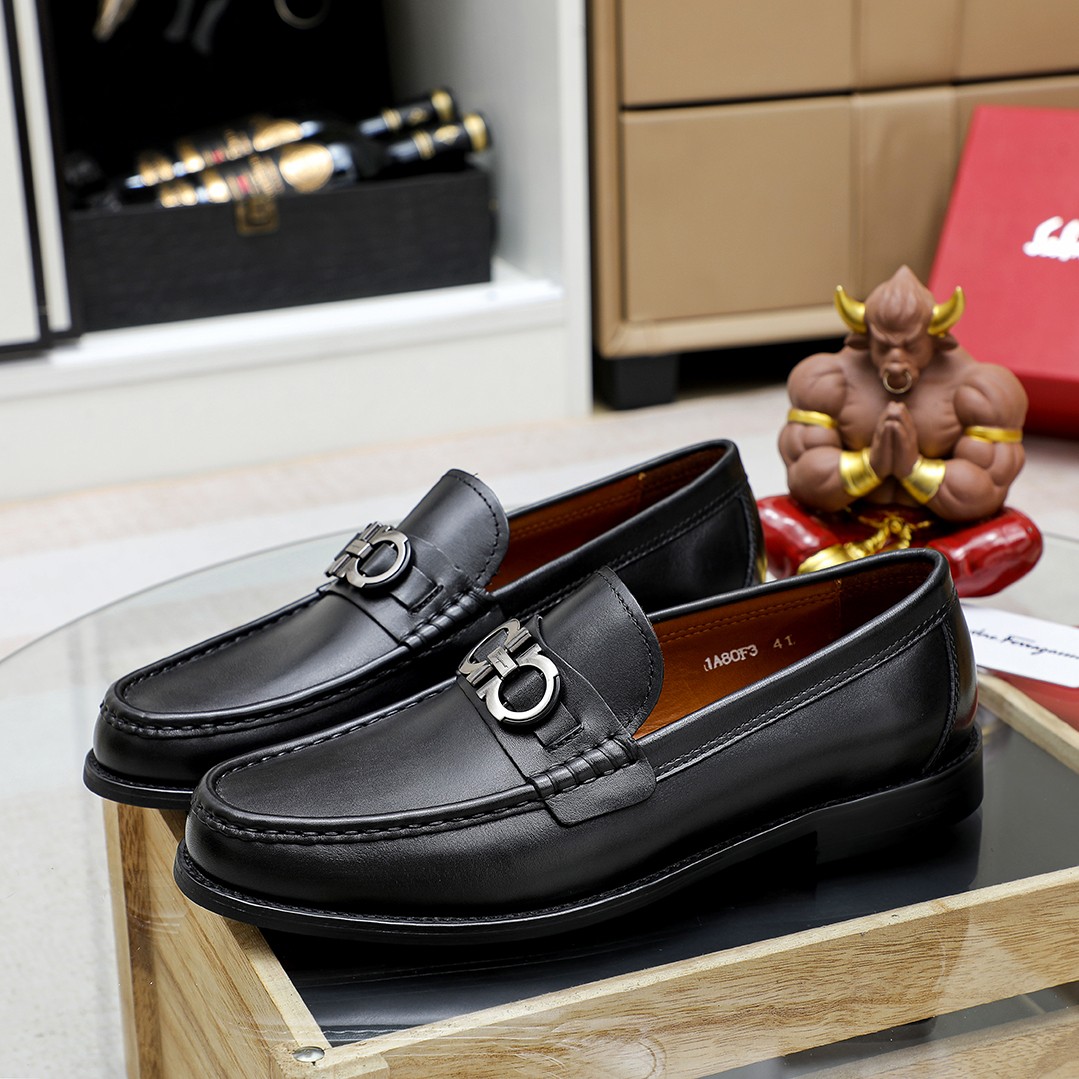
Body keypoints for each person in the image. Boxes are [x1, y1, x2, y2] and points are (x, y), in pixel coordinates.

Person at [781, 265, 1026, 523]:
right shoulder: (825, 379)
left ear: (936, 341)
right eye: (884, 347)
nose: (896, 361)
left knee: (1017, 531)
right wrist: (871, 464)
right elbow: (804, 477)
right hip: (848, 520)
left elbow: (984, 490)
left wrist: (913, 468)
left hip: (940, 527)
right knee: (771, 517)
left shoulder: (982, 389)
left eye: (911, 347)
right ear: (866, 341)